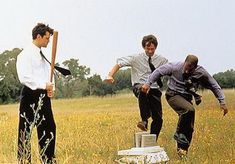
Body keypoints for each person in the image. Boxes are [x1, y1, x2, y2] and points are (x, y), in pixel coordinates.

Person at [141, 54, 228, 159]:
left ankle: (182, 153)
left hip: (186, 98)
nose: (187, 71)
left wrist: (222, 101)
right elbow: (158, 72)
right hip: (173, 95)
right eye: (186, 67)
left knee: (189, 128)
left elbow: (213, 84)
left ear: (195, 67)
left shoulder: (201, 72)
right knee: (189, 110)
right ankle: (178, 133)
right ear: (184, 63)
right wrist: (148, 83)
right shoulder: (175, 66)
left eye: (190, 69)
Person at [106, 34, 168, 140]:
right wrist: (110, 75)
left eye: (152, 49)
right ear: (144, 47)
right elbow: (119, 64)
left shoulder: (161, 60)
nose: (150, 51)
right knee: (143, 89)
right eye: (147, 48)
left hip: (154, 88)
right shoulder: (136, 58)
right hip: (139, 85)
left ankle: (152, 141)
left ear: (155, 48)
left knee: (158, 119)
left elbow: (170, 70)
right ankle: (144, 120)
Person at [16, 23, 56, 163]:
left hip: (43, 95)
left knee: (49, 128)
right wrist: (43, 85)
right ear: (38, 36)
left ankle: (48, 160)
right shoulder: (25, 55)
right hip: (30, 94)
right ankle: (24, 161)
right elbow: (24, 77)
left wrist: (50, 88)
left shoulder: (42, 55)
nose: (48, 41)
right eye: (46, 38)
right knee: (25, 130)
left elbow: (46, 75)